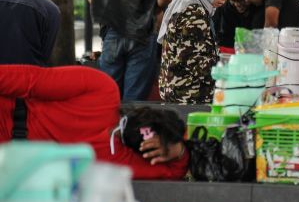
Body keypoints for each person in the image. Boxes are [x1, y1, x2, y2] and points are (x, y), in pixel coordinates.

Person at [0, 64, 188, 180]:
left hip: (10, 164)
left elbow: (174, 173)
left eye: (151, 146)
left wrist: (176, 151)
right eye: (150, 131)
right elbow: (30, 80)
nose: (145, 137)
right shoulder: (102, 90)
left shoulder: (120, 161)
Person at [158, 0, 237, 104]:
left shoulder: (191, 1)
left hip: (178, 89)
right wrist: (232, 70)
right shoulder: (195, 13)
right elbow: (196, 62)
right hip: (188, 96)